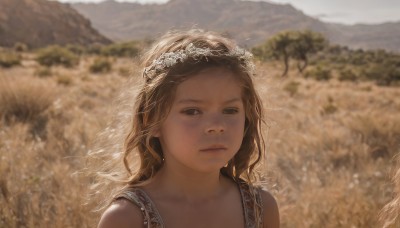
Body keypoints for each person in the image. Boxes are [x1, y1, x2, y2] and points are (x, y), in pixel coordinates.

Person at [95, 29, 279, 228]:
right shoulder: (127, 218)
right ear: (152, 121)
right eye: (192, 111)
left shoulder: (261, 208)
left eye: (230, 110)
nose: (216, 126)